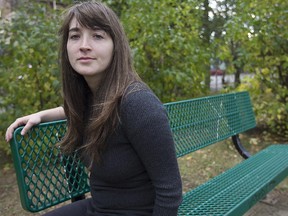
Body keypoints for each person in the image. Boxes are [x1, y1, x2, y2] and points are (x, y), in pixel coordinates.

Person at [5, 1, 182, 215]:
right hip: (100, 207)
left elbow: (170, 190)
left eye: (97, 36)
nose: (84, 45)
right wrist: (40, 115)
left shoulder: (138, 104)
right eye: (75, 36)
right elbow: (75, 109)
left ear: (116, 46)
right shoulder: (93, 97)